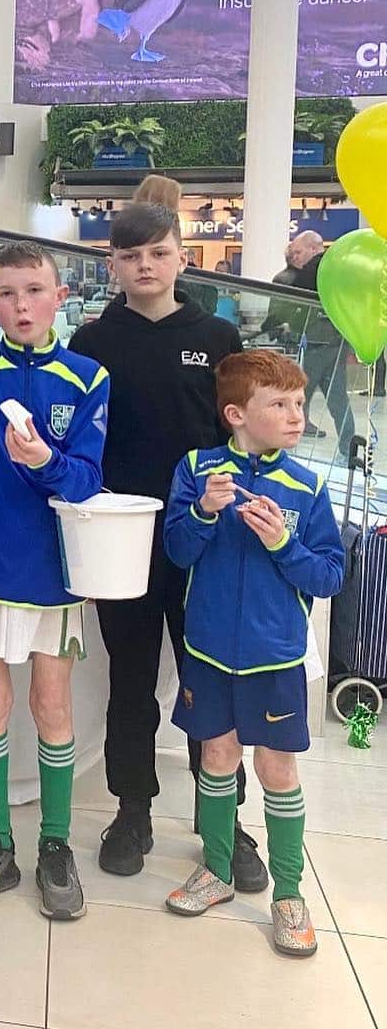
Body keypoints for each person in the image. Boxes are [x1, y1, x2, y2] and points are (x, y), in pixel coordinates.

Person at [69, 203, 264, 887]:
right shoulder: (93, 340)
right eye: (130, 256)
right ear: (112, 265)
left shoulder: (216, 336)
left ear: (182, 256)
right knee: (130, 680)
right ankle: (132, 810)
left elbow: (240, 435)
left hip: (201, 537)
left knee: (208, 681)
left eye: (157, 252)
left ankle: (224, 818)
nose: (145, 266)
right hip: (122, 539)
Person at [0, 242, 109, 921]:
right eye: (6, 294)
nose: (21, 305)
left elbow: (86, 481)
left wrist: (44, 462)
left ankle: (55, 844)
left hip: (56, 577)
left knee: (52, 707)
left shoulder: (88, 378)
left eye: (34, 291)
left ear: (60, 297)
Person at [162, 351, 345, 956]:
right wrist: (203, 512)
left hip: (275, 656)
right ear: (236, 414)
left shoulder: (307, 486)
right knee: (217, 757)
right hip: (209, 650)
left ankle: (289, 893)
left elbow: (329, 577)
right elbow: (177, 552)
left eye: (299, 403)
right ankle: (216, 869)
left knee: (277, 769)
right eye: (280, 404)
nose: (297, 416)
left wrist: (284, 542)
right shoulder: (197, 469)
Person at [282, 230, 356, 448]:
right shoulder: (341, 267)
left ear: (313, 248)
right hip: (338, 340)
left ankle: (284, 440)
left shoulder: (311, 269)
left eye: (298, 252)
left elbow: (294, 301)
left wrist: (291, 326)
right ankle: (349, 446)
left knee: (298, 391)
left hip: (317, 341)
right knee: (338, 397)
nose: (295, 257)